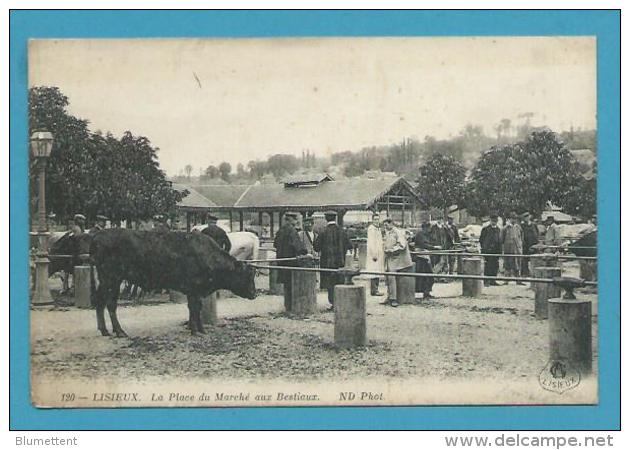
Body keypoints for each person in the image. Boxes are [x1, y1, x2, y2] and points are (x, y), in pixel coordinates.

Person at [314, 211, 353, 310]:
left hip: (327, 263)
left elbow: (316, 248)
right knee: (339, 282)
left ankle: (333, 303)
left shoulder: (323, 231)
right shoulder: (342, 231)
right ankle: (340, 302)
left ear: (326, 219)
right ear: (335, 218)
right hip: (340, 262)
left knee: (330, 284)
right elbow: (350, 245)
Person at [274, 212, 309, 309]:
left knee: (286, 285)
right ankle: (292, 306)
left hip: (282, 261)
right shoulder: (292, 231)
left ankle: (287, 305)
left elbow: (275, 244)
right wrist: (304, 252)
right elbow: (298, 246)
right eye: (295, 219)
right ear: (291, 220)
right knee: (292, 284)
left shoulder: (280, 230)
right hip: (291, 262)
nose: (296, 222)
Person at [382, 218, 413, 307]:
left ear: (391, 223)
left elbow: (402, 245)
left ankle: (393, 299)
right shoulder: (388, 232)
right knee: (388, 278)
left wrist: (392, 250)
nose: (385, 227)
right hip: (389, 258)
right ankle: (389, 296)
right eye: (384, 225)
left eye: (386, 225)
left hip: (396, 258)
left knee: (392, 278)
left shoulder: (397, 232)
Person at [413, 221, 438, 299]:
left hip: (425, 256)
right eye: (429, 228)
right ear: (425, 228)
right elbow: (423, 244)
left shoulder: (425, 234)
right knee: (426, 275)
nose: (430, 229)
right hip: (421, 257)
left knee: (427, 276)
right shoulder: (421, 234)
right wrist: (434, 247)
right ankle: (425, 292)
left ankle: (426, 292)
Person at [501, 211, 524, 284]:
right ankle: (506, 280)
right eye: (512, 218)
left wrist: (520, 245)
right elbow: (501, 239)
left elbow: (522, 238)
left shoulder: (518, 227)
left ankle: (518, 280)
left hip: (517, 249)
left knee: (517, 264)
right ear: (509, 219)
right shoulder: (505, 228)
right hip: (508, 249)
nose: (514, 220)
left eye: (515, 219)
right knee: (507, 264)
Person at [365, 212, 385, 295]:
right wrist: (374, 253)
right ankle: (374, 290)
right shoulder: (371, 229)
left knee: (377, 271)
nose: (377, 221)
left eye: (378, 219)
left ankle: (375, 289)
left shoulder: (378, 229)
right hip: (374, 253)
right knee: (374, 271)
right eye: (375, 219)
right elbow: (371, 242)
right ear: (372, 220)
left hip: (379, 252)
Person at [479, 214, 502, 286]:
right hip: (488, 250)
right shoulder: (485, 229)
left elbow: (499, 240)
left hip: (496, 250)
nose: (494, 222)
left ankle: (493, 280)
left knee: (495, 265)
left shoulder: (498, 229)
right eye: (492, 221)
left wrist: (499, 250)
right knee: (488, 265)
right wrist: (484, 248)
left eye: (495, 221)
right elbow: (481, 239)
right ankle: (486, 281)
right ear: (490, 221)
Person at [520, 212, 539, 277]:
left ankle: (534, 273)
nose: (527, 218)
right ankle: (525, 273)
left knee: (535, 259)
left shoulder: (534, 225)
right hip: (525, 245)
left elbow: (537, 234)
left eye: (527, 217)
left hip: (533, 245)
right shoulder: (522, 225)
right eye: (525, 217)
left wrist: (536, 243)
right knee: (525, 260)